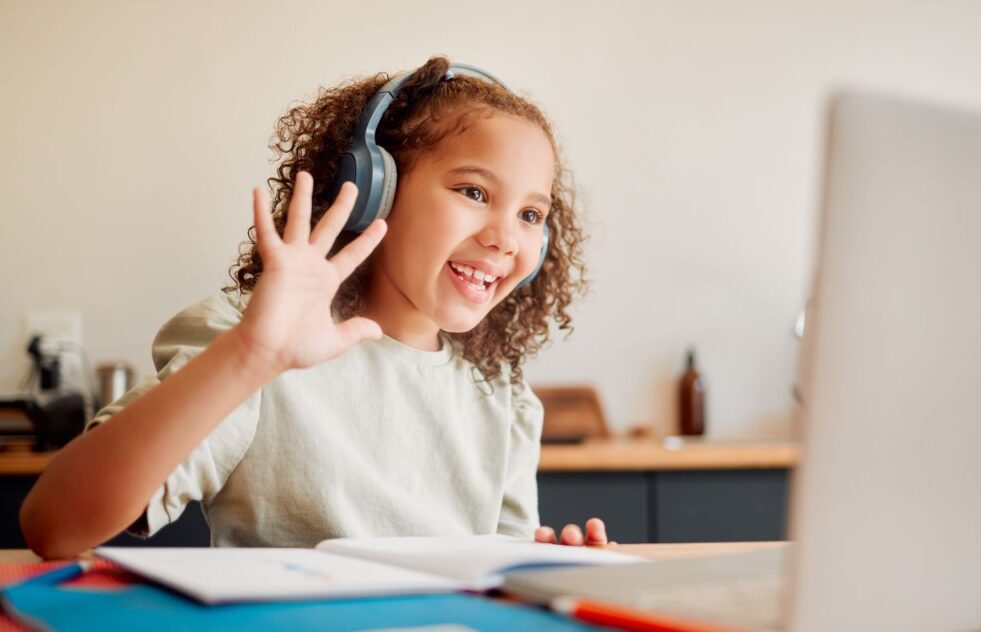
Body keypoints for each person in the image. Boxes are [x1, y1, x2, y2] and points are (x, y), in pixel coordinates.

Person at [20, 56, 610, 559]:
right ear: (374, 190)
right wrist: (251, 355)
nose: (508, 238)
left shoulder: (499, 396)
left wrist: (546, 569)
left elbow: (498, 576)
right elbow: (54, 526)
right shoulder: (254, 340)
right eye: (474, 192)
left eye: (531, 215)